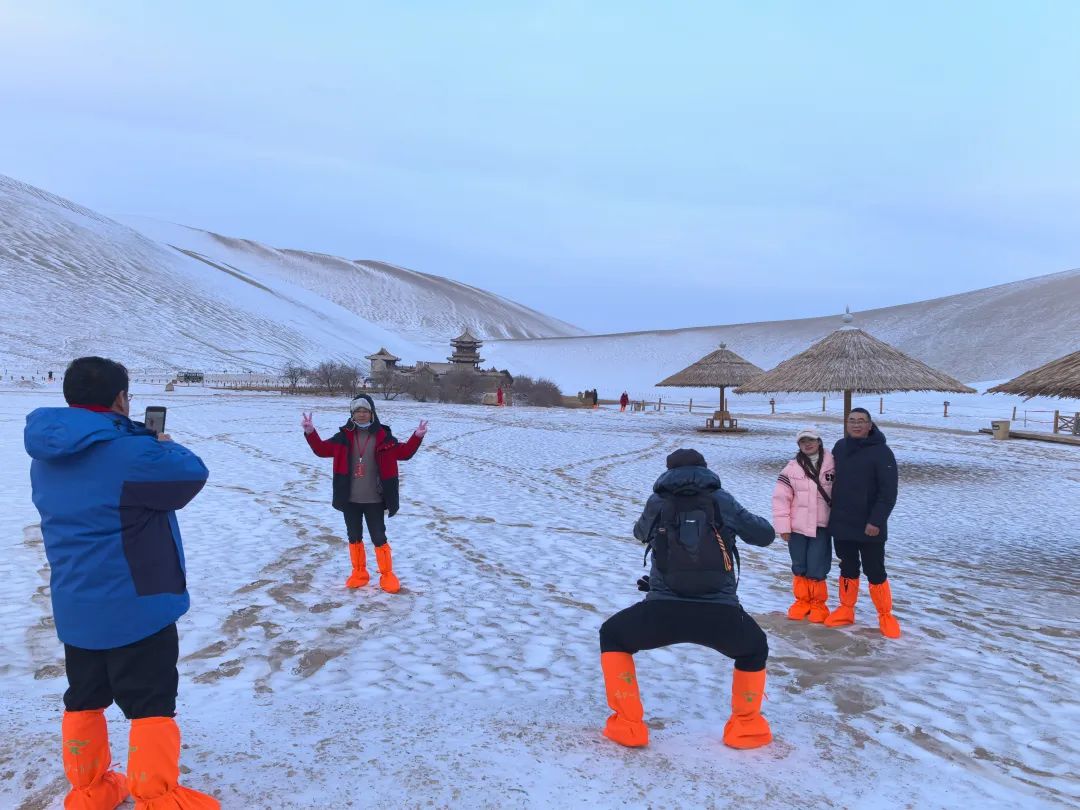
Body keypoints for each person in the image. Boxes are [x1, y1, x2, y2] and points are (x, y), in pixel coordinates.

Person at [24, 356, 218, 809]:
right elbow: (192, 474)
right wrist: (158, 441)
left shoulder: (46, 456)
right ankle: (157, 795)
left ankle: (90, 790)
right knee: (150, 701)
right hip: (137, 600)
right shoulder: (134, 452)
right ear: (120, 398)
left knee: (85, 697)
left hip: (76, 600)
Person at [597, 449, 776, 750]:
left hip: (663, 609)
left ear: (668, 471)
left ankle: (629, 726)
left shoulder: (659, 501)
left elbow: (640, 533)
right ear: (706, 469)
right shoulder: (722, 500)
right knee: (753, 648)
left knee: (613, 634)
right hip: (720, 613)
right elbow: (764, 535)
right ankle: (746, 728)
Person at [302, 394, 427, 593]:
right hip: (349, 499)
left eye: (365, 411)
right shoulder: (343, 437)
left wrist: (417, 436)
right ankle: (359, 573)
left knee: (379, 537)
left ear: (372, 413)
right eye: (357, 411)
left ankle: (387, 575)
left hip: (374, 500)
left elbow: (404, 453)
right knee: (354, 537)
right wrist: (311, 432)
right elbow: (321, 449)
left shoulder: (383, 437)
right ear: (352, 414)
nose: (361, 414)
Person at [825, 407, 901, 638]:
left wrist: (876, 520)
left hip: (870, 525)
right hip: (842, 522)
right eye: (851, 421)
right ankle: (846, 609)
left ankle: (885, 615)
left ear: (870, 425)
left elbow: (889, 492)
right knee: (847, 567)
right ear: (846, 424)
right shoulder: (840, 447)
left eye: (861, 421)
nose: (856, 425)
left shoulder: (882, 452)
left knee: (874, 570)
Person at [772, 427, 835, 622]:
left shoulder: (834, 464)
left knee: (817, 566)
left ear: (819, 441)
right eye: (803, 442)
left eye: (811, 440)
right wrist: (783, 527)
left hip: (822, 526)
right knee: (799, 564)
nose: (808, 444)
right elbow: (781, 499)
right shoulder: (791, 469)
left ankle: (818, 604)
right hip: (797, 526)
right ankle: (802, 601)